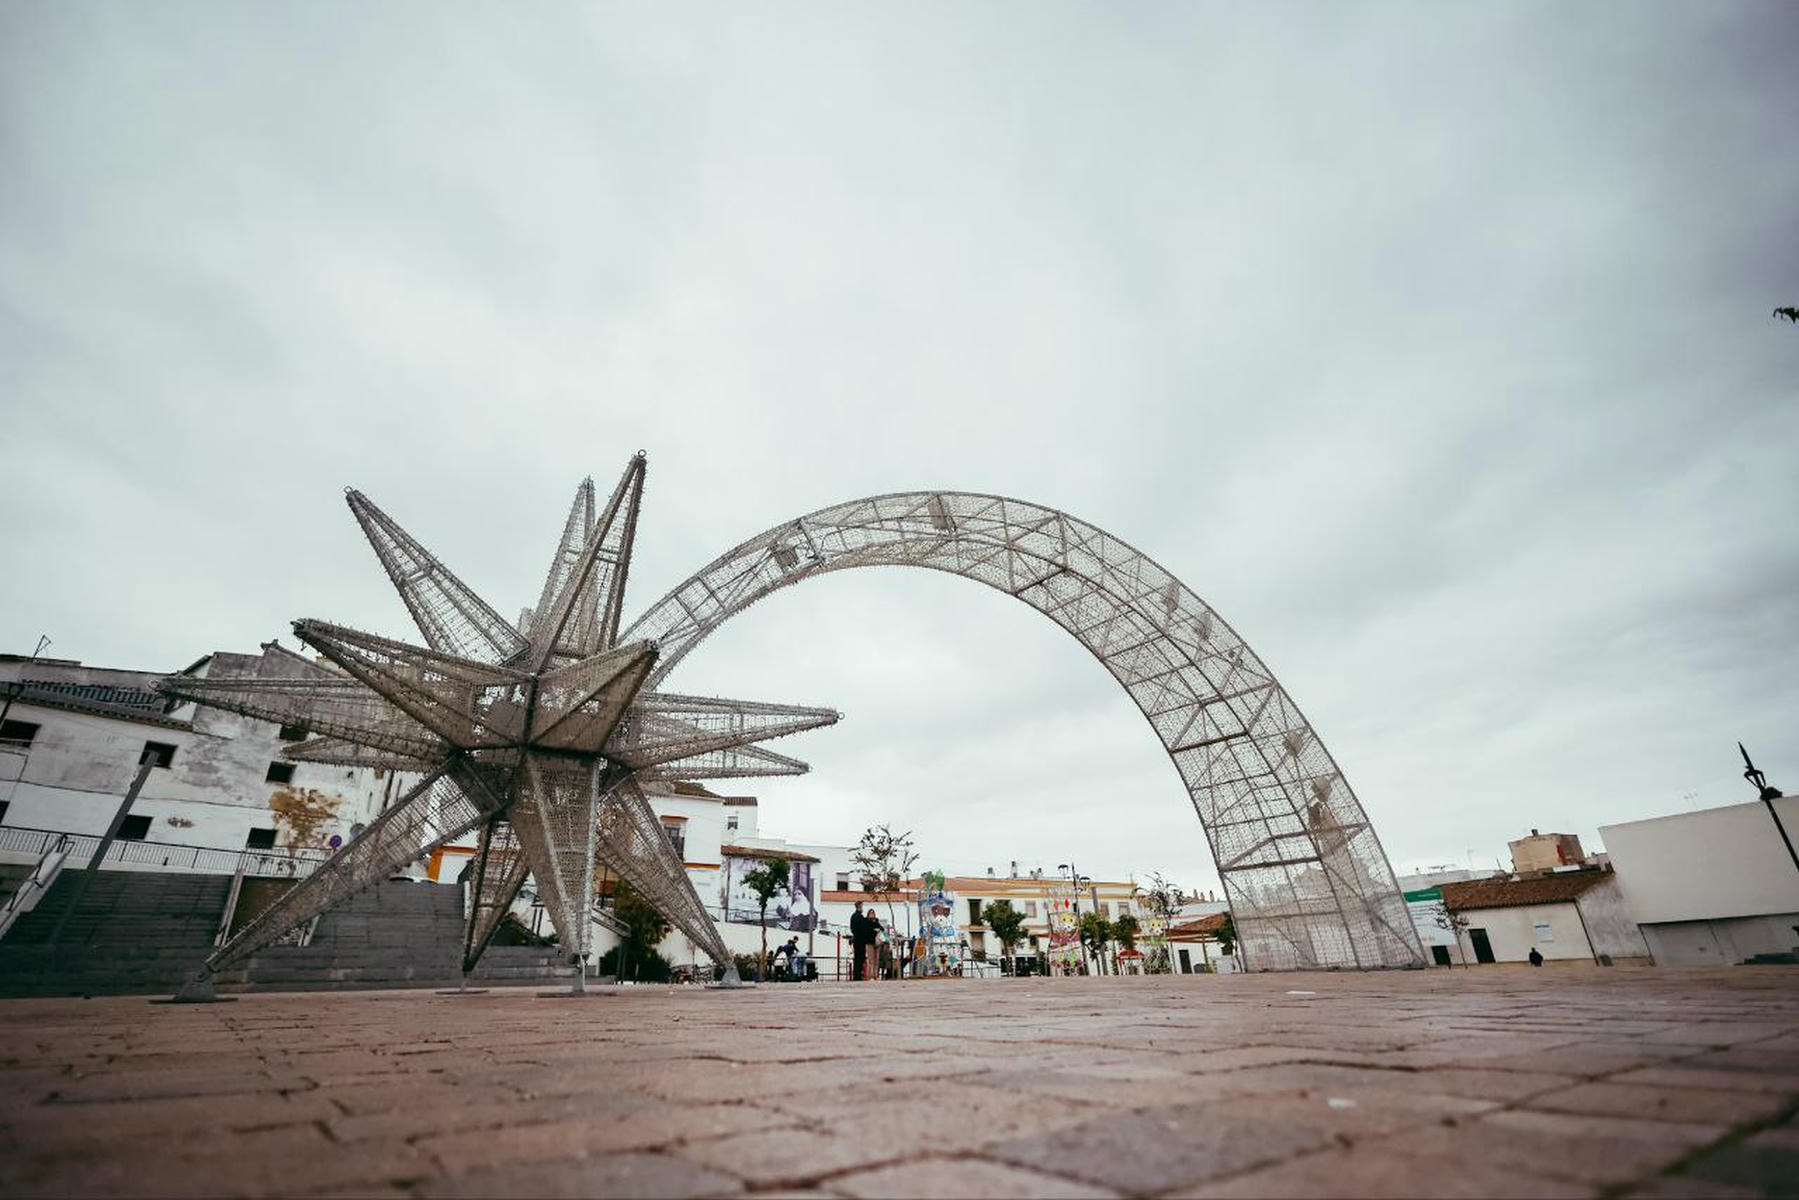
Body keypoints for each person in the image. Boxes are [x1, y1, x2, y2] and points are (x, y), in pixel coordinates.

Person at [849, 901, 871, 981]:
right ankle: (858, 975)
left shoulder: (853, 916)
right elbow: (863, 929)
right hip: (860, 941)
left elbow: (852, 928)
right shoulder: (860, 917)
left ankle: (857, 975)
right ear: (859, 906)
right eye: (862, 906)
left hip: (856, 940)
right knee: (860, 958)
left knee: (857, 958)